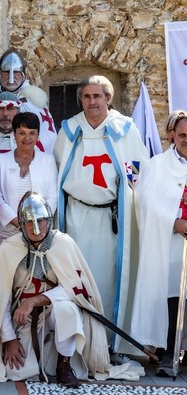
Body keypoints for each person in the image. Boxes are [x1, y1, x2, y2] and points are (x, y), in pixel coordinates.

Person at [0, 192, 143, 386]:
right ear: (21, 224)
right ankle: (41, 359)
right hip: (23, 319)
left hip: (54, 313)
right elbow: (0, 300)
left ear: (48, 220)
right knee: (15, 371)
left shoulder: (63, 244)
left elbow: (75, 290)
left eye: (40, 220)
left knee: (68, 309)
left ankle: (64, 366)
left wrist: (34, 301)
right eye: (29, 222)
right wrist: (9, 339)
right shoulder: (8, 249)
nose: (36, 227)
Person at [54, 75, 148, 358]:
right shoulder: (70, 130)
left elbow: (137, 173)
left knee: (107, 279)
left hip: (111, 220)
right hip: (75, 216)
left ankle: (108, 342)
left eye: (98, 96)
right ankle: (74, 342)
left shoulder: (124, 130)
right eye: (87, 97)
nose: (92, 102)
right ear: (81, 100)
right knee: (75, 279)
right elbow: (57, 168)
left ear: (109, 99)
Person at [131, 110, 187, 376]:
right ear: (172, 135)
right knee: (172, 295)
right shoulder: (156, 165)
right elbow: (145, 203)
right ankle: (167, 353)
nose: (186, 139)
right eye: (183, 135)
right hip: (169, 244)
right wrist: (173, 222)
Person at [0, 112, 57, 255]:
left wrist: (38, 224)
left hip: (39, 233)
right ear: (14, 135)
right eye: (21, 133)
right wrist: (19, 223)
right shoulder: (0, 160)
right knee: (4, 275)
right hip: (5, 233)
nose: (27, 138)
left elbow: (52, 196)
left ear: (38, 136)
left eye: (32, 133)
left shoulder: (48, 160)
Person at [0, 48, 57, 152]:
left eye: (16, 72)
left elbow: (49, 138)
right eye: (6, 72)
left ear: (23, 75)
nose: (11, 78)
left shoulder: (34, 100)